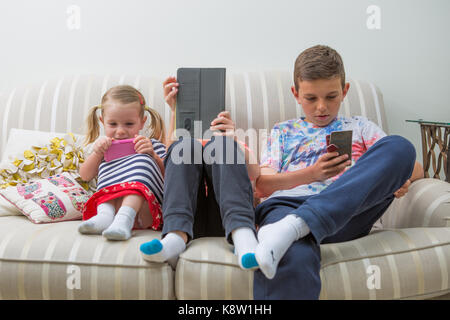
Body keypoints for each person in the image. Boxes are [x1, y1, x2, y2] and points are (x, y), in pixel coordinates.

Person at [253, 45, 424, 299]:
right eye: (311, 98)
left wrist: (401, 179)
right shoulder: (283, 131)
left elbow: (413, 165)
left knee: (402, 146)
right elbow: (263, 186)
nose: (321, 107)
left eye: (331, 97)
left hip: (347, 214)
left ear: (344, 92)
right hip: (287, 207)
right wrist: (313, 173)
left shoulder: (360, 126)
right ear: (296, 94)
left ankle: (297, 226)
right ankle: (297, 226)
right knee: (292, 254)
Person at [139, 76, 261, 270]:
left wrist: (233, 139)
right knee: (183, 146)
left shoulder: (229, 142)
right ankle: (175, 237)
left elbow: (256, 175)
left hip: (225, 218)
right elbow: (168, 168)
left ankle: (243, 235)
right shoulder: (181, 143)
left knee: (221, 145)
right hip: (187, 218)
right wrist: (175, 112)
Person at [78, 85, 167, 241]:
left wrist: (153, 155)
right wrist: (97, 153)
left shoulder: (151, 145)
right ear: (102, 121)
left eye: (129, 124)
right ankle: (104, 217)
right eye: (112, 124)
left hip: (144, 212)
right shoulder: (102, 148)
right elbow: (85, 175)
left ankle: (123, 219)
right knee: (111, 179)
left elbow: (170, 178)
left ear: (142, 122)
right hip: (110, 205)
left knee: (140, 167)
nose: (120, 131)